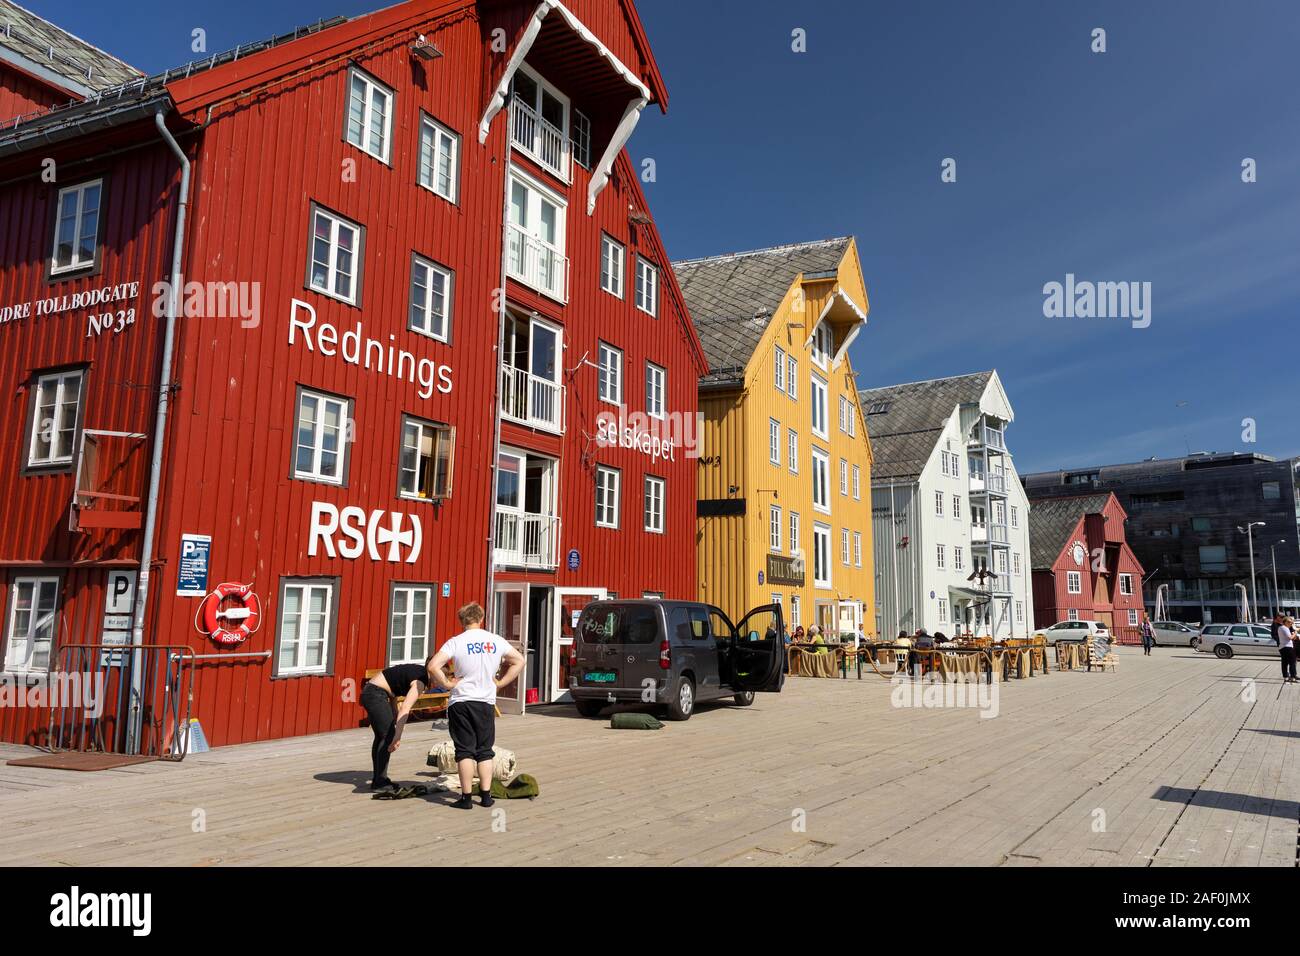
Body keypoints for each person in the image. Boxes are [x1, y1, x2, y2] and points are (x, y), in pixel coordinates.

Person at [429, 602, 524, 810]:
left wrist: (446, 683)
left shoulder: (456, 642)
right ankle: (486, 796)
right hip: (485, 701)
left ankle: (465, 798)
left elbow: (433, 666)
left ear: (462, 620)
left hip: (461, 700)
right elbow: (519, 660)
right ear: (481, 619)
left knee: (464, 751)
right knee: (484, 750)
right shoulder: (495, 641)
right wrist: (501, 682)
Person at [361, 657, 437, 791]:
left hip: (373, 692)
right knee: (388, 736)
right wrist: (397, 736)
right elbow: (406, 708)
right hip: (375, 694)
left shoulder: (419, 672)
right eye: (441, 677)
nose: (440, 682)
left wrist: (393, 711)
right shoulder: (421, 681)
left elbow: (393, 686)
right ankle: (380, 782)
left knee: (381, 736)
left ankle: (379, 779)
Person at [1278, 616, 1297, 683]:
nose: (1291, 624)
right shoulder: (1285, 628)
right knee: (1292, 662)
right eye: (1289, 622)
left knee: (1284, 663)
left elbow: (1291, 638)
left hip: (1282, 647)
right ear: (1285, 622)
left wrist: (1293, 635)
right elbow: (1290, 638)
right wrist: (1295, 633)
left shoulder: (1281, 628)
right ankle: (1293, 677)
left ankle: (1286, 677)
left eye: (1291, 623)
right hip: (1287, 647)